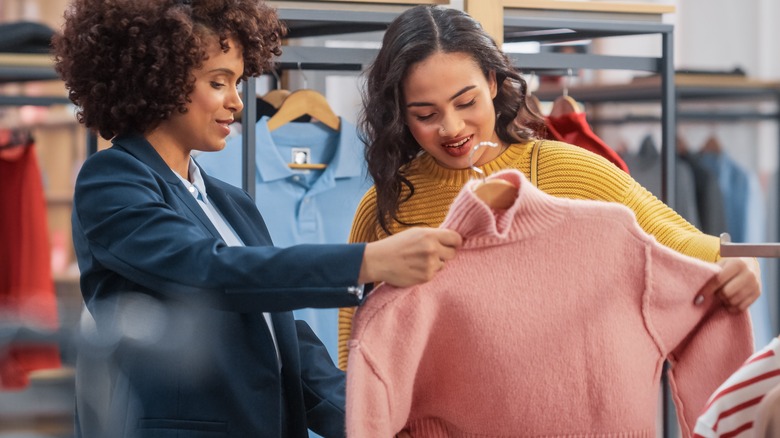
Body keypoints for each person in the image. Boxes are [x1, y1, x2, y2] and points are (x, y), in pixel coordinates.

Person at [52, 1, 461, 437]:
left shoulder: (232, 203)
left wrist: (379, 422)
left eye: (237, 82)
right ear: (158, 79)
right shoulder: (112, 179)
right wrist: (368, 261)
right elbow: (206, 271)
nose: (236, 101)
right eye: (218, 82)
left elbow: (284, 341)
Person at [337, 4, 762, 369]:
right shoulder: (385, 206)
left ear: (492, 82)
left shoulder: (569, 170)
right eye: (425, 114)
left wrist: (743, 263)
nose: (451, 127)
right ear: (400, 112)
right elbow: (353, 348)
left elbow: (688, 244)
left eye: (466, 102)